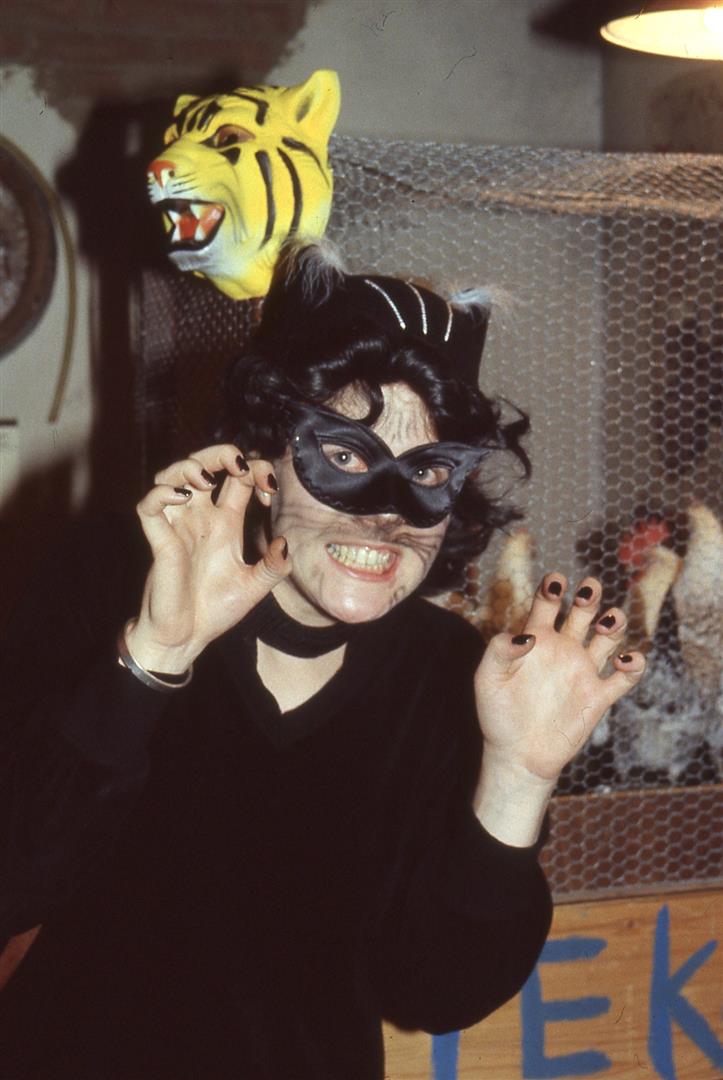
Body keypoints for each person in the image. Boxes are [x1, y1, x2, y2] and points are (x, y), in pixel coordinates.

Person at [0, 245, 645, 1079]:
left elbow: (436, 990)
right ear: (264, 457)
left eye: (427, 470)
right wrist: (153, 656)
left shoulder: (449, 678)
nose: (385, 517)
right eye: (343, 457)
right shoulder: (112, 583)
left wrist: (518, 777)